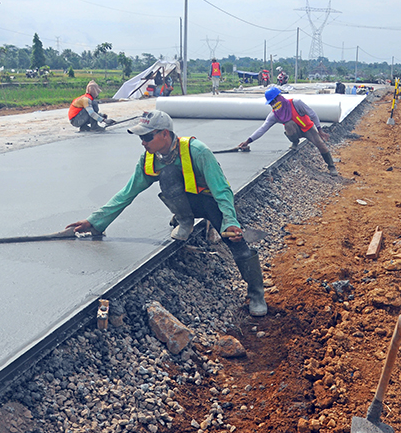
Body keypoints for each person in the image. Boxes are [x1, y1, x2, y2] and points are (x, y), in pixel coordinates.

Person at [66, 111, 268, 317]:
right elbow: (128, 192)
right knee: (168, 174)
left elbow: (222, 190)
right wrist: (95, 221)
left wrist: (229, 222)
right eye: (140, 137)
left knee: (236, 243)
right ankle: (184, 220)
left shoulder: (197, 151)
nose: (142, 143)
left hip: (210, 203)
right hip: (184, 206)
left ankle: (257, 294)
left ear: (164, 134)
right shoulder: (149, 159)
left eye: (147, 137)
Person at [237, 86, 337, 175]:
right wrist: (248, 141)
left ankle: (331, 166)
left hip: (308, 129)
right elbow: (263, 129)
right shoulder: (274, 115)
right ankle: (295, 141)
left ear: (279, 98)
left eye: (274, 101)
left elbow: (312, 114)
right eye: (271, 103)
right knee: (289, 124)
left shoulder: (296, 103)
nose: (273, 104)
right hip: (294, 131)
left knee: (320, 144)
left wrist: (319, 130)